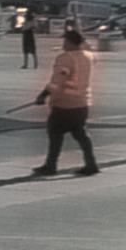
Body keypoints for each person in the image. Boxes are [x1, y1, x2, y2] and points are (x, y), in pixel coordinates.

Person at [32, 28, 98, 176]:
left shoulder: (65, 58)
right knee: (80, 133)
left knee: (55, 133)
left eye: (65, 40)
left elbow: (57, 81)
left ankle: (50, 165)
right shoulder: (89, 56)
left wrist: (43, 95)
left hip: (64, 104)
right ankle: (91, 163)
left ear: (70, 42)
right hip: (82, 102)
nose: (63, 43)